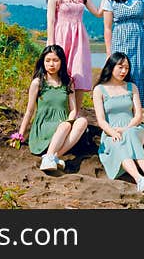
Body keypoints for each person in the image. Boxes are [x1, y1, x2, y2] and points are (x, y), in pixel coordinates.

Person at [92, 52, 144, 193]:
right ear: (111, 66)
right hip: (111, 133)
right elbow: (101, 120)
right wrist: (113, 132)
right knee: (118, 142)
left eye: (126, 68)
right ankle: (140, 179)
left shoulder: (131, 87)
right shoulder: (99, 90)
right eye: (120, 67)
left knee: (130, 134)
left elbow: (138, 115)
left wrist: (126, 128)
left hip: (134, 128)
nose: (124, 71)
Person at [10, 44, 89, 172]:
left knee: (83, 121)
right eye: (48, 60)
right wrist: (19, 135)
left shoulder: (68, 82)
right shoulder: (38, 83)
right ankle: (51, 157)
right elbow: (30, 111)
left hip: (63, 125)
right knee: (65, 126)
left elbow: (73, 109)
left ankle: (52, 156)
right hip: (44, 126)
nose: (51, 64)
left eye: (55, 60)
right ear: (43, 62)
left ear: (61, 62)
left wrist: (69, 121)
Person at [45, 0, 106, 110]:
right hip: (60, 37)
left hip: (79, 38)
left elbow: (98, 13)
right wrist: (51, 46)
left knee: (78, 74)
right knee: (59, 73)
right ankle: (59, 109)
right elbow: (51, 21)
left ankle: (76, 112)